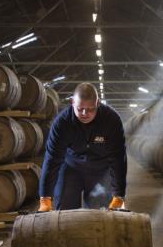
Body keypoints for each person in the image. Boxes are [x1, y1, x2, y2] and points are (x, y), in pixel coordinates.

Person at [38, 82, 127, 211]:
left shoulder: (111, 120)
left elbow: (118, 159)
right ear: (73, 102)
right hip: (71, 168)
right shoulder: (62, 123)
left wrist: (119, 194)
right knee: (64, 210)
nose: (85, 113)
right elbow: (52, 159)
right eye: (80, 108)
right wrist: (45, 197)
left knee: (99, 215)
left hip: (100, 171)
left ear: (97, 103)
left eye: (90, 109)